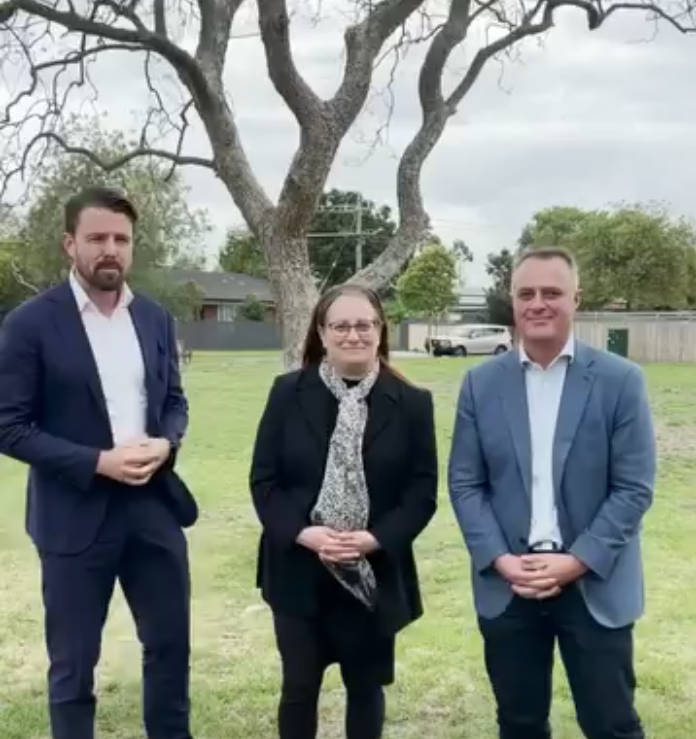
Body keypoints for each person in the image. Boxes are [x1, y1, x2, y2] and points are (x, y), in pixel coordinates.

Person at [0, 186, 198, 739]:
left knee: (170, 649)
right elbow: (8, 426)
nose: (110, 249)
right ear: (70, 244)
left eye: (121, 239)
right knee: (73, 666)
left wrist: (167, 443)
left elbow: (174, 401)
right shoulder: (30, 324)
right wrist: (97, 462)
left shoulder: (154, 319)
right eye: (97, 238)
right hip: (73, 516)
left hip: (154, 509)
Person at [448, 246, 656, 739]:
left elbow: (633, 488)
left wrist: (577, 561)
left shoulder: (620, 381)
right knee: (519, 724)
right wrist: (501, 560)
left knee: (611, 725)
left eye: (551, 293)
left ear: (575, 299)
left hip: (593, 584)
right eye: (526, 294)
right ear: (512, 301)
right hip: (510, 586)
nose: (537, 303)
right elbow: (465, 483)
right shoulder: (480, 384)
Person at [249, 283, 438, 739]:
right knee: (298, 689)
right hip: (299, 569)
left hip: (371, 572)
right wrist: (305, 534)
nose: (353, 335)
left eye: (364, 325)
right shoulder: (287, 393)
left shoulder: (412, 403)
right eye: (341, 326)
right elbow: (265, 482)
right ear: (322, 332)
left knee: (366, 688)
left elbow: (422, 492)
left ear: (380, 330)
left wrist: (374, 539)